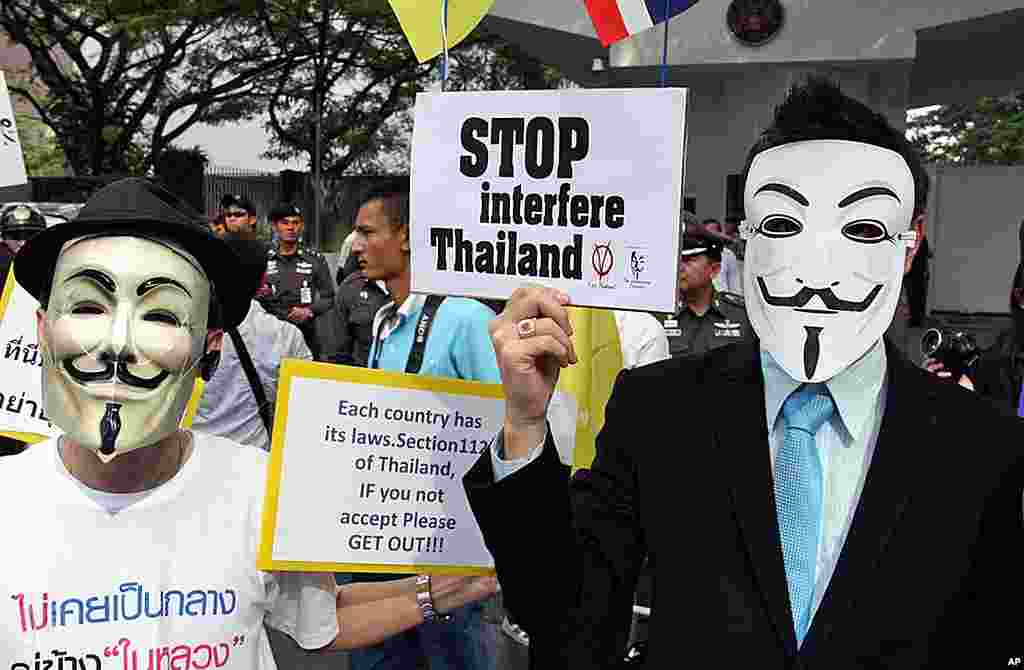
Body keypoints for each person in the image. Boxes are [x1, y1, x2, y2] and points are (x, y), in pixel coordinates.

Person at [462, 78, 1024, 668]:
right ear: (746, 238)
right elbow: (566, 615)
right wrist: (525, 424)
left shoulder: (982, 447)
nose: (817, 276)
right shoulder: (661, 410)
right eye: (783, 226)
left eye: (862, 230)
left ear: (910, 244)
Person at [0, 177, 497, 668]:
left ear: (209, 344)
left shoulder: (261, 491)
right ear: (43, 328)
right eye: (88, 307)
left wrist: (460, 584)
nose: (117, 344)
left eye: (162, 316)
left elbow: (323, 619)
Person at [341, 178, 499, 670]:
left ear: (406, 236)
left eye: (367, 232)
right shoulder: (385, 320)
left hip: (449, 547)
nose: (356, 246)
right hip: (382, 540)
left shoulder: (465, 318)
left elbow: (500, 427)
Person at [192, 236, 312, 451]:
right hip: (254, 464)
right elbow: (304, 415)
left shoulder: (182, 328)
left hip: (189, 458)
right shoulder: (287, 337)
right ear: (263, 280)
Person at [0, 203, 48, 457]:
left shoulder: (54, 268)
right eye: (14, 236)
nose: (21, 242)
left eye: (29, 235)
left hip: (28, 384)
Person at [661, 229, 752, 358]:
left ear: (714, 269)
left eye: (688, 260)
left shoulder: (743, 315)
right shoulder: (658, 315)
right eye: (677, 259)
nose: (680, 267)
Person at [260, 203, 335, 359]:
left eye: (295, 223)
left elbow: (329, 297)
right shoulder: (262, 258)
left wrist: (309, 311)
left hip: (304, 335)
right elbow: (250, 295)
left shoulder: (315, 259)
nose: (291, 228)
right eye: (285, 223)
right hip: (269, 336)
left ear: (301, 226)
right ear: (275, 226)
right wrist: (259, 293)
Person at [703, 217, 743, 295]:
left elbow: (735, 285)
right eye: (707, 232)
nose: (711, 235)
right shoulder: (695, 254)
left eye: (714, 232)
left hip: (722, 300)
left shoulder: (728, 254)